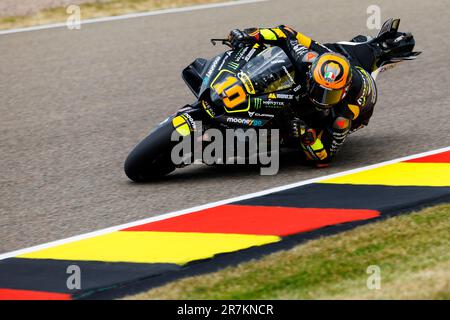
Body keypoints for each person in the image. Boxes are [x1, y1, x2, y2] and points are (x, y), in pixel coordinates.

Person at [228, 26, 377, 166]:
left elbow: (325, 156)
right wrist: (252, 35)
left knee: (294, 138)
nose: (321, 98)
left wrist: (307, 136)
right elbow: (284, 33)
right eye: (319, 91)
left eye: (329, 95)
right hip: (334, 59)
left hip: (349, 112)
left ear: (343, 92)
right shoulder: (307, 60)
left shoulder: (344, 116)